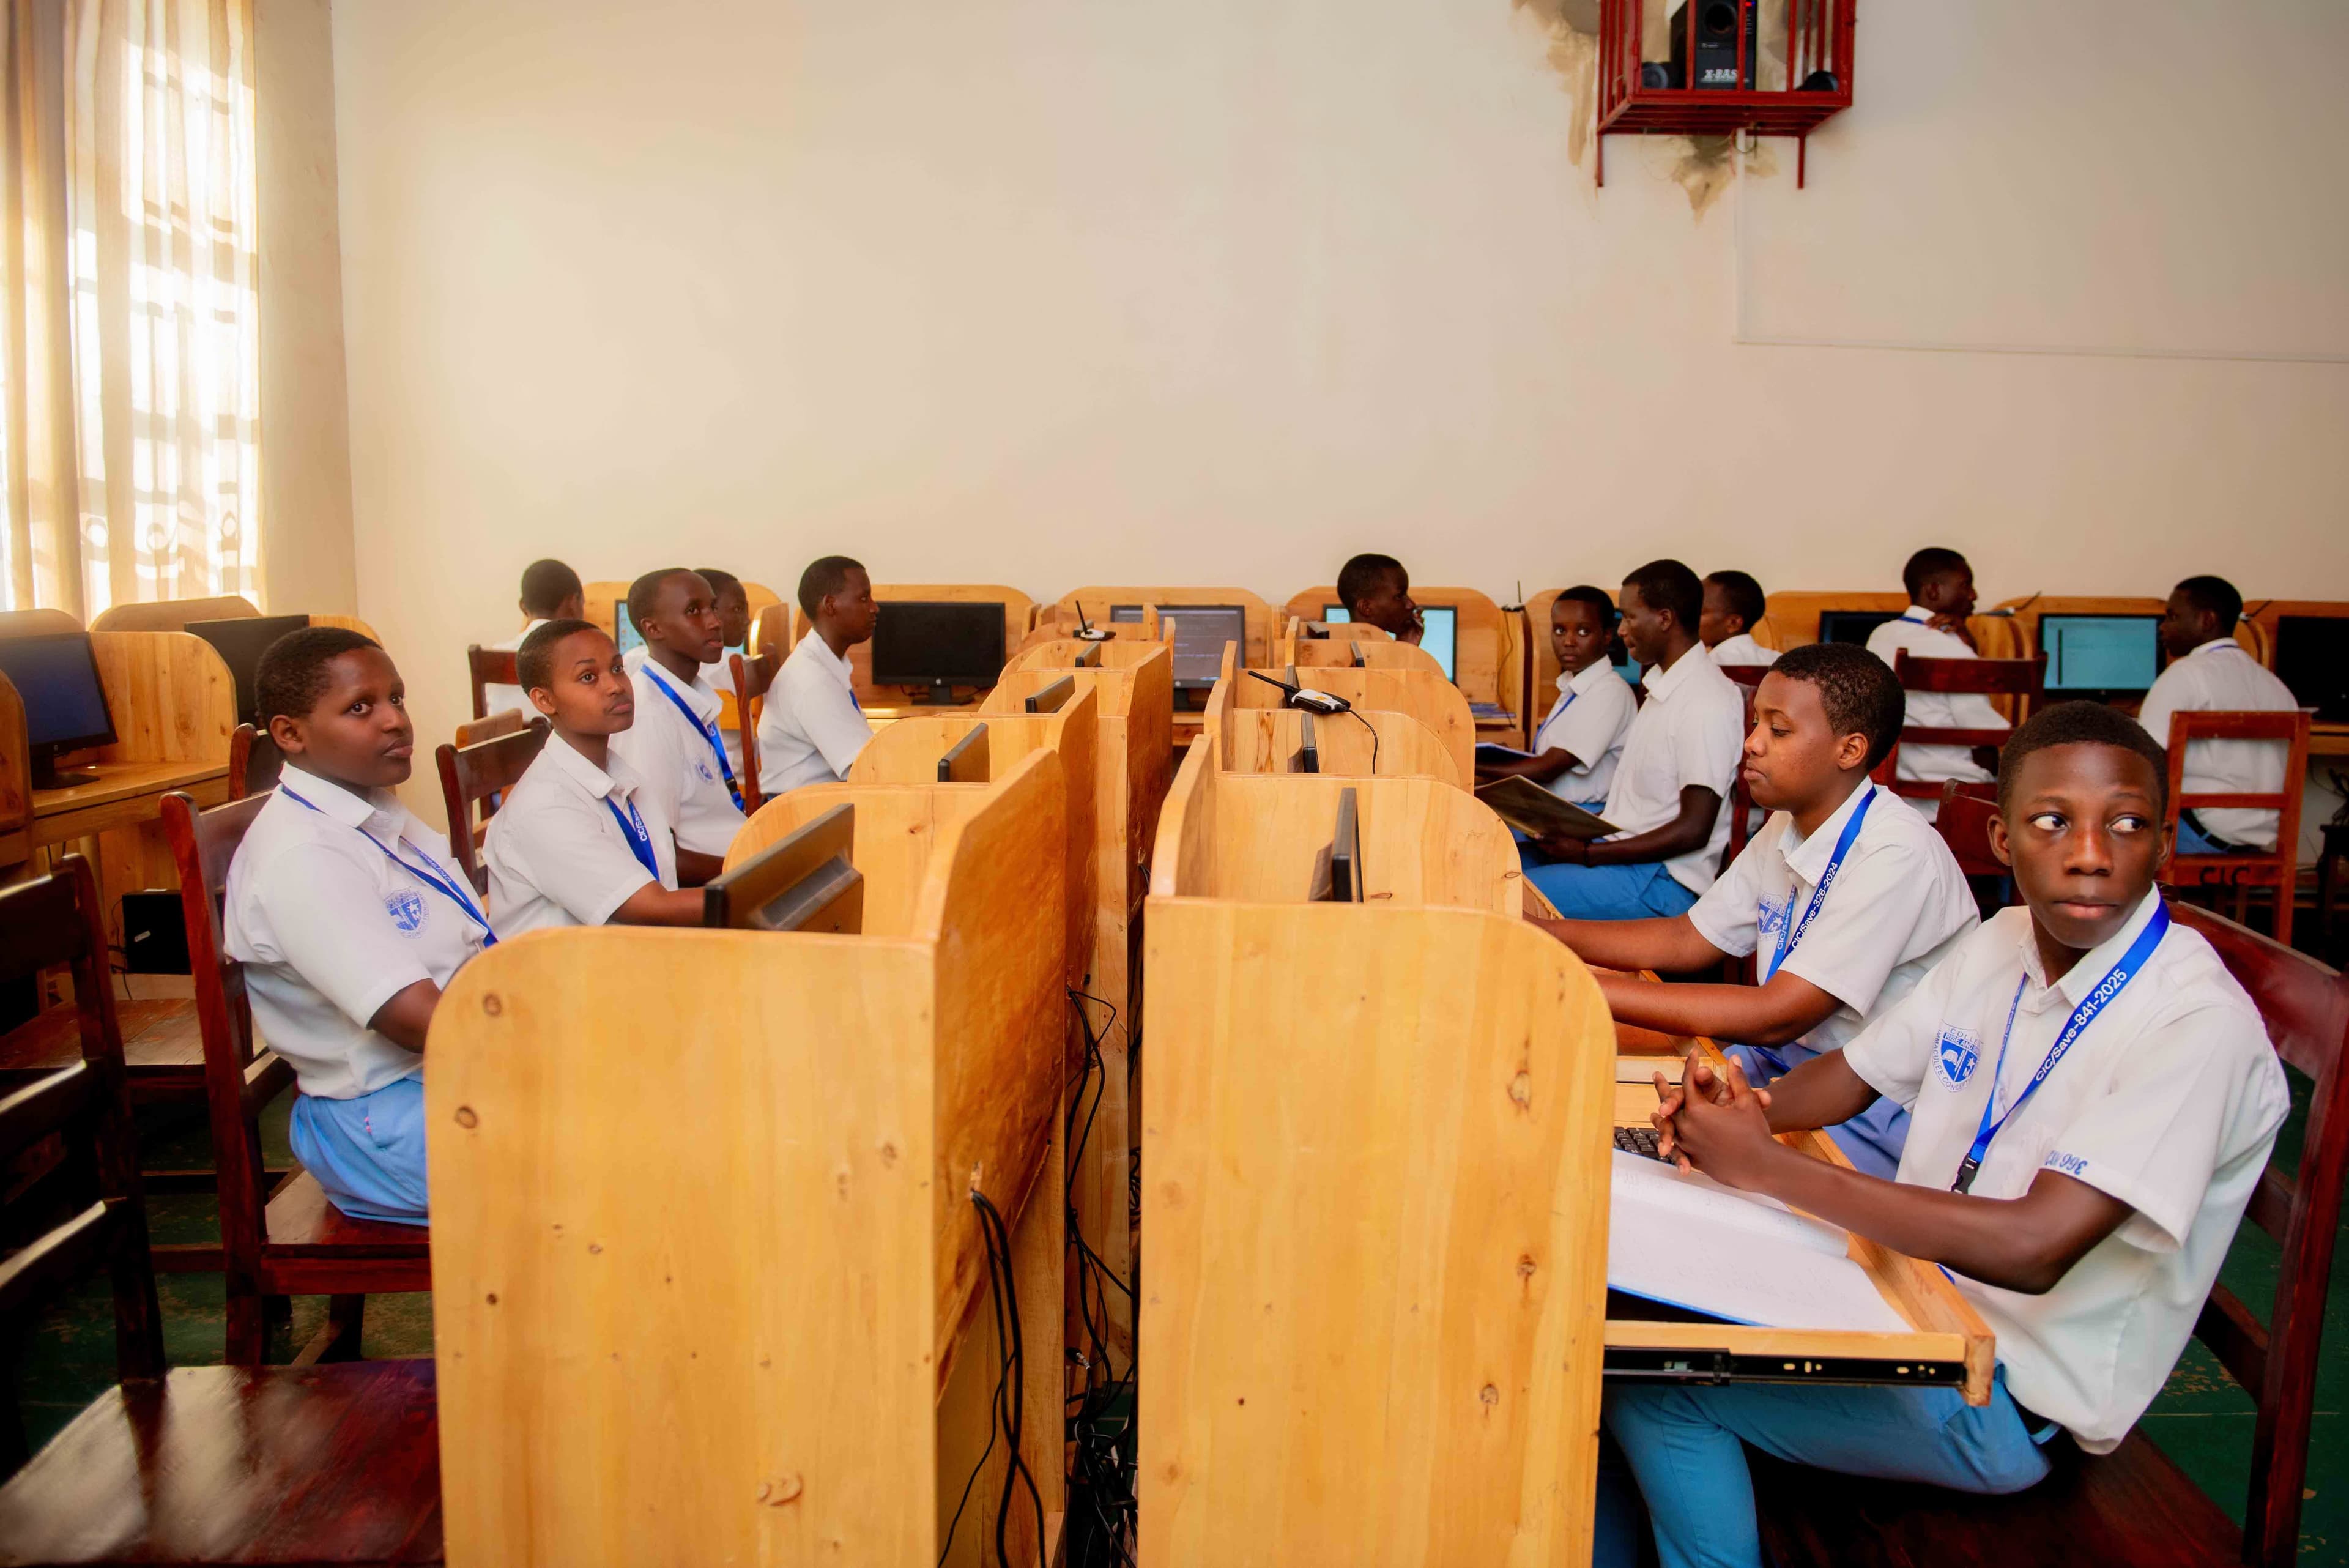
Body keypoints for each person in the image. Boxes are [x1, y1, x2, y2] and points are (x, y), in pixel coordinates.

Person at [1600, 700, 2288, 1568]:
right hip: (1907, 1303)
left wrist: (1767, 1166)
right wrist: (1742, 1112)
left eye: (2127, 824)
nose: (2088, 852)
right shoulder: (2003, 939)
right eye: (2051, 821)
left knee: (1657, 1388)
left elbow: (2034, 1246)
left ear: (2164, 844)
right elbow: (1852, 1073)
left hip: (2006, 1397)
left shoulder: (2196, 1021)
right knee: (1634, 1307)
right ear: (2003, 840)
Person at [1530, 644, 1976, 1176]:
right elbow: (1687, 940)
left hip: (1867, 1109)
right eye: (1755, 722)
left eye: (1778, 730)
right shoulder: (1788, 825)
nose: (1752, 744)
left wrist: (1570, 982)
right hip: (1778, 1071)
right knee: (1575, 1116)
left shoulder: (1894, 852)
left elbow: (1777, 1014)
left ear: (1850, 749)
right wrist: (1537, 935)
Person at [223, 628, 494, 1225]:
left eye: (396, 698)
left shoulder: (379, 815)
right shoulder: (304, 855)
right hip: (381, 1119)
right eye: (360, 707)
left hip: (446, 1079)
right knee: (632, 1156)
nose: (395, 720)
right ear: (291, 734)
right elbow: (414, 1022)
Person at [1520, 559, 1744, 920]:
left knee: (1504, 896)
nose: (1622, 631)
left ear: (1665, 619)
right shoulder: (1662, 688)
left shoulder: (1705, 700)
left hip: (1663, 881)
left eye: (1629, 618)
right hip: (1628, 858)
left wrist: (1586, 854)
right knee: (1498, 864)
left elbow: (1694, 830)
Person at [484, 620, 709, 937]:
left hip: (632, 958)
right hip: (564, 981)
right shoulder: (544, 809)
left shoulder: (620, 775)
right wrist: (756, 894)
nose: (615, 686)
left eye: (617, 669)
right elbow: (653, 907)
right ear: (545, 700)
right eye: (588, 677)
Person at [2138, 574, 2298, 855]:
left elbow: (2144, 758)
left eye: (2173, 617)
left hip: (2204, 834)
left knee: (2112, 830)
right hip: (2262, 837)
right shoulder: (2275, 685)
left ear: (2207, 621)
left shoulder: (2184, 675)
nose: (2163, 628)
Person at [609, 568, 745, 885]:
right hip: (713, 887)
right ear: (652, 628)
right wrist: (753, 872)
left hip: (737, 860)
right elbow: (659, 855)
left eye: (712, 607)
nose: (715, 621)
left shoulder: (690, 697)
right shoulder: (650, 717)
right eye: (693, 612)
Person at [1865, 547, 2008, 800]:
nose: (1974, 595)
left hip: (1891, 793)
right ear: (1933, 590)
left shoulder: (1880, 636)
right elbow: (1985, 736)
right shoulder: (1954, 650)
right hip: (1955, 794)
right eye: (1966, 585)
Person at [1476, 585, 1636, 807]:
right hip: (1552, 808)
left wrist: (1471, 765)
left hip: (1581, 817)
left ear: (1607, 636)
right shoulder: (1573, 686)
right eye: (1560, 631)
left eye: (1583, 632)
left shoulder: (1610, 692)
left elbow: (1547, 769)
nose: (1568, 641)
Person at [757, 555, 880, 793]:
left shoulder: (825, 663)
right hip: (801, 815)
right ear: (830, 605)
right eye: (864, 598)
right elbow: (866, 770)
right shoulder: (812, 680)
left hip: (819, 803)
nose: (874, 608)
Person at [482, 557, 585, 716]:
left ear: (523, 607)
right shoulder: (579, 657)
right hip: (553, 740)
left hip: (503, 741)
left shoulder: (494, 657)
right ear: (572, 602)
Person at [694, 567, 753, 773]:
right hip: (739, 785)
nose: (747, 619)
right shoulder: (741, 666)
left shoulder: (634, 661)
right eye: (737, 609)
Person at [1336, 553, 1423, 645]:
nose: (1411, 604)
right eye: (1399, 596)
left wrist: (1406, 647)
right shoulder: (1336, 657)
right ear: (1366, 607)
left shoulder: (1385, 655)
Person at [1699, 570, 1777, 669]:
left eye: (1697, 612)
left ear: (1733, 623)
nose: (1686, 617)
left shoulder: (1707, 666)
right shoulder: (1779, 661)